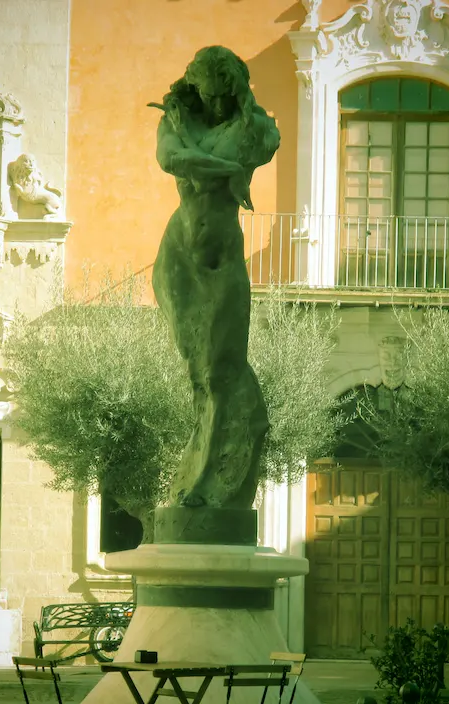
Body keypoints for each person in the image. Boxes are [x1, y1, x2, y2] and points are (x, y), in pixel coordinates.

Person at [149, 46, 280, 511]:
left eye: (227, 96)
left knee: (220, 368)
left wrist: (210, 158)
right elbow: (174, 161)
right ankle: (199, 473)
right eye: (210, 95)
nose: (218, 104)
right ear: (196, 89)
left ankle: (210, 481)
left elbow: (265, 139)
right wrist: (229, 171)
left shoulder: (253, 128)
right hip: (178, 254)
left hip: (221, 258)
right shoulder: (176, 121)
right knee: (196, 373)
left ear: (238, 90)